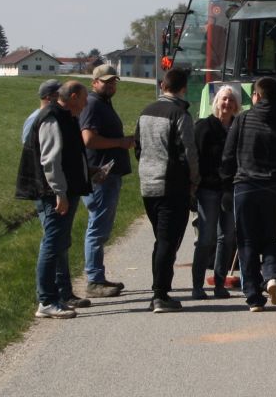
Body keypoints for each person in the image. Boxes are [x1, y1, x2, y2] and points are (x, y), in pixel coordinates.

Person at [221, 76, 276, 312]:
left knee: (247, 241)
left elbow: (228, 156)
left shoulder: (242, 119)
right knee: (271, 238)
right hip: (271, 188)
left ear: (257, 96)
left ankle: (253, 296)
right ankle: (272, 277)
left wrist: (226, 187)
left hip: (244, 187)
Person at [16, 80, 92, 318]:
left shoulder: (66, 116)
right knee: (52, 243)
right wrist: (59, 193)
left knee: (59, 242)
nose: (86, 104)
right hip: (54, 194)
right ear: (73, 96)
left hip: (65, 191)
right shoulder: (51, 117)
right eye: (84, 99)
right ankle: (47, 300)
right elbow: (50, 160)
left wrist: (88, 173)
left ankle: (58, 296)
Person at [136, 68, 200, 313]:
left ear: (163, 85)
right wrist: (194, 179)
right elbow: (189, 151)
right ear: (183, 88)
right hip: (172, 185)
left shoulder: (146, 111)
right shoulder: (180, 114)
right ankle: (160, 294)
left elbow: (138, 146)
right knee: (168, 241)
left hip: (148, 183)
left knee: (161, 239)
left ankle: (158, 291)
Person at [80, 64, 136, 297]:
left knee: (100, 228)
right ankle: (94, 281)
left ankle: (98, 277)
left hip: (108, 174)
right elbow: (88, 139)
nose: (111, 85)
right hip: (100, 175)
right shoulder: (93, 104)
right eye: (106, 82)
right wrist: (120, 143)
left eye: (113, 81)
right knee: (97, 228)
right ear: (94, 83)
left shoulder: (102, 103)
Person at [192, 84, 241, 300]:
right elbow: (195, 158)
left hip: (230, 190)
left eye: (231, 100)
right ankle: (197, 286)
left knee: (227, 237)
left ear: (236, 105)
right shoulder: (203, 127)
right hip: (208, 190)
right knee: (206, 238)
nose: (227, 103)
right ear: (217, 102)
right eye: (224, 99)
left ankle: (220, 284)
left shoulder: (238, 127)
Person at [22, 79, 61, 144]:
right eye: (59, 96)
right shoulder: (35, 119)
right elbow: (27, 144)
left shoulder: (56, 115)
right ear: (49, 98)